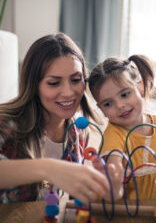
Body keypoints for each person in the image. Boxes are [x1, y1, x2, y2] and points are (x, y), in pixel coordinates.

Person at [0, 33, 122, 204]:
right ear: (34, 85)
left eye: (75, 80)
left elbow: (70, 199)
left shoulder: (79, 131)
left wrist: (107, 192)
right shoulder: (5, 123)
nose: (68, 92)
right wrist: (48, 168)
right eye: (54, 83)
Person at [88, 54, 156, 200]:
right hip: (127, 208)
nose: (120, 105)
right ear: (102, 109)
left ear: (140, 88)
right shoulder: (114, 135)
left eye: (124, 94)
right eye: (108, 104)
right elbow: (114, 168)